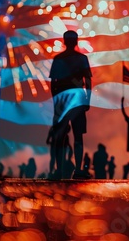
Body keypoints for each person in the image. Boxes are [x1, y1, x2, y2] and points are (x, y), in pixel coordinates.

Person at [49, 30, 92, 179]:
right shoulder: (82, 58)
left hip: (62, 101)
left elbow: (53, 83)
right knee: (78, 136)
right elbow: (88, 81)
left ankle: (59, 170)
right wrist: (87, 99)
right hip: (78, 100)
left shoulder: (58, 59)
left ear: (64, 41)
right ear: (76, 41)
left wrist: (56, 102)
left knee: (60, 136)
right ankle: (78, 170)